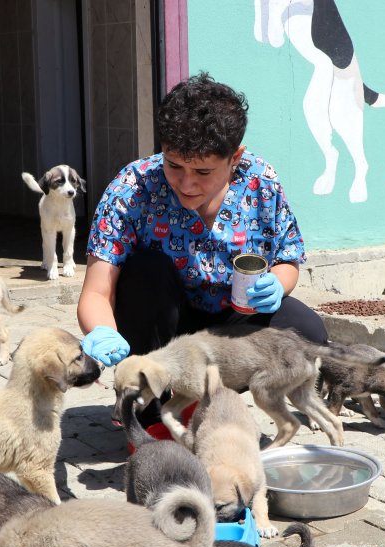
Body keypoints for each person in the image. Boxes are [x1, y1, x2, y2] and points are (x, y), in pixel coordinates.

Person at [77, 72, 328, 367]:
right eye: (173, 165)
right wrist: (103, 331)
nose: (186, 184)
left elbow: (287, 258)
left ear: (235, 158)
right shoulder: (132, 188)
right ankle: (149, 390)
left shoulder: (261, 182)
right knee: (146, 270)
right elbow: (96, 291)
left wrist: (277, 283)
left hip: (233, 323)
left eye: (203, 172)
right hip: (161, 325)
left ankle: (220, 386)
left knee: (306, 331)